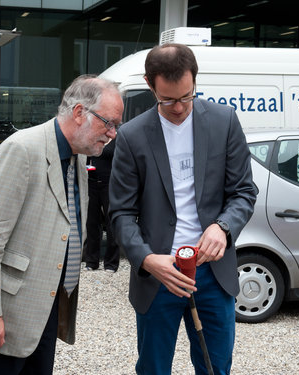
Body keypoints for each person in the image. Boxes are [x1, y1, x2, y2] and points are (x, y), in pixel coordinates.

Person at [0, 75, 124, 375]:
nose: (112, 134)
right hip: (4, 315)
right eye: (108, 123)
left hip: (45, 311)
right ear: (80, 112)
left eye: (116, 125)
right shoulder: (22, 149)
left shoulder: (78, 157)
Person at [109, 43, 257, 375]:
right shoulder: (132, 137)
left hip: (212, 273)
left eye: (186, 97)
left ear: (195, 82)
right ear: (150, 84)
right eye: (168, 99)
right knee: (153, 368)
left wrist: (223, 226)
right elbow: (120, 213)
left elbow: (244, 192)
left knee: (215, 366)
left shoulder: (224, 122)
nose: (178, 108)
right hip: (159, 272)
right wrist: (146, 259)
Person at [83, 138, 120, 272]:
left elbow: (121, 162)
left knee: (111, 223)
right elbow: (86, 159)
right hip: (91, 182)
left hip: (110, 184)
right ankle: (91, 261)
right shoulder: (94, 137)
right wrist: (87, 167)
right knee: (92, 222)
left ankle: (111, 263)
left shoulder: (117, 140)